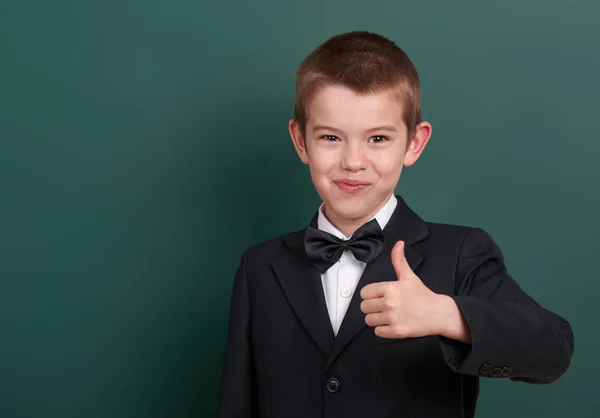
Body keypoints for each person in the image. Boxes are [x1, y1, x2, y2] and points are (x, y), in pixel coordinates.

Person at [216, 31, 574, 418]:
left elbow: (552, 351)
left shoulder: (460, 253)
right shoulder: (259, 267)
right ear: (300, 141)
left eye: (378, 138)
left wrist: (447, 315)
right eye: (331, 137)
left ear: (414, 144)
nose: (353, 161)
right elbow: (238, 404)